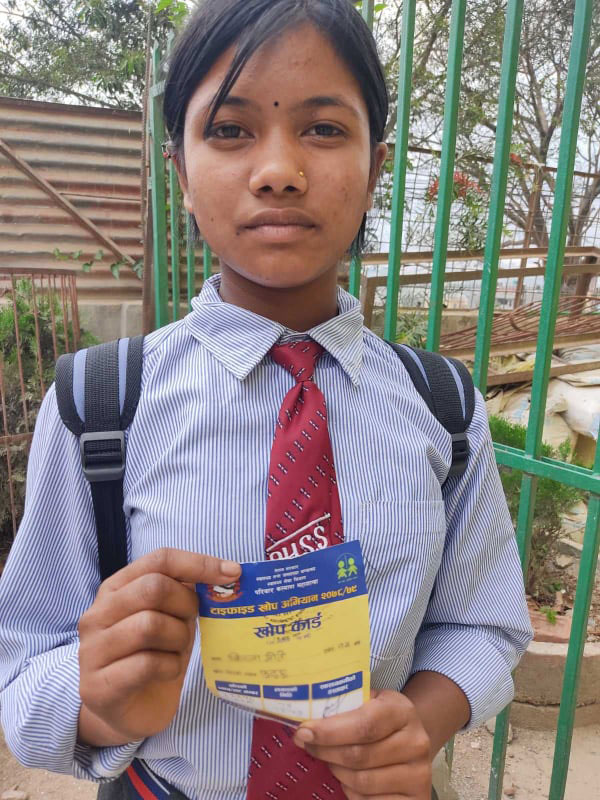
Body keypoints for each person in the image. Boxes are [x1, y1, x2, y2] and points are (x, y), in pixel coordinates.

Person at [0, 1, 532, 799]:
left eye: (323, 129)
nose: (279, 169)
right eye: (230, 130)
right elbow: (21, 666)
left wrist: (423, 720)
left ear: (375, 168)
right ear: (179, 172)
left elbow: (481, 622)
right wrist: (98, 700)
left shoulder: (443, 407)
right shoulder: (98, 406)